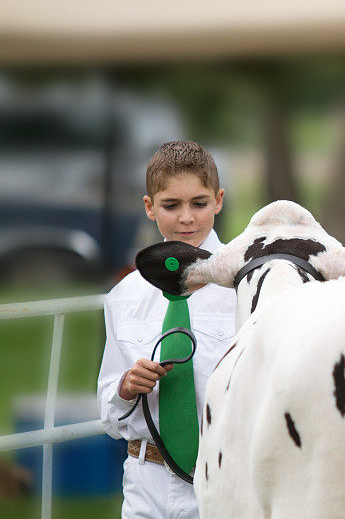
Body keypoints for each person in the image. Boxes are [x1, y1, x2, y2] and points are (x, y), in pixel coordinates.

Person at [97, 141, 237, 518]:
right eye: (171, 206)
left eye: (199, 203)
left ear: (218, 200)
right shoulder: (125, 295)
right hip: (146, 480)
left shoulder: (244, 286)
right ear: (149, 207)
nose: (186, 218)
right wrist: (127, 386)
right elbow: (109, 412)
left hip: (225, 476)